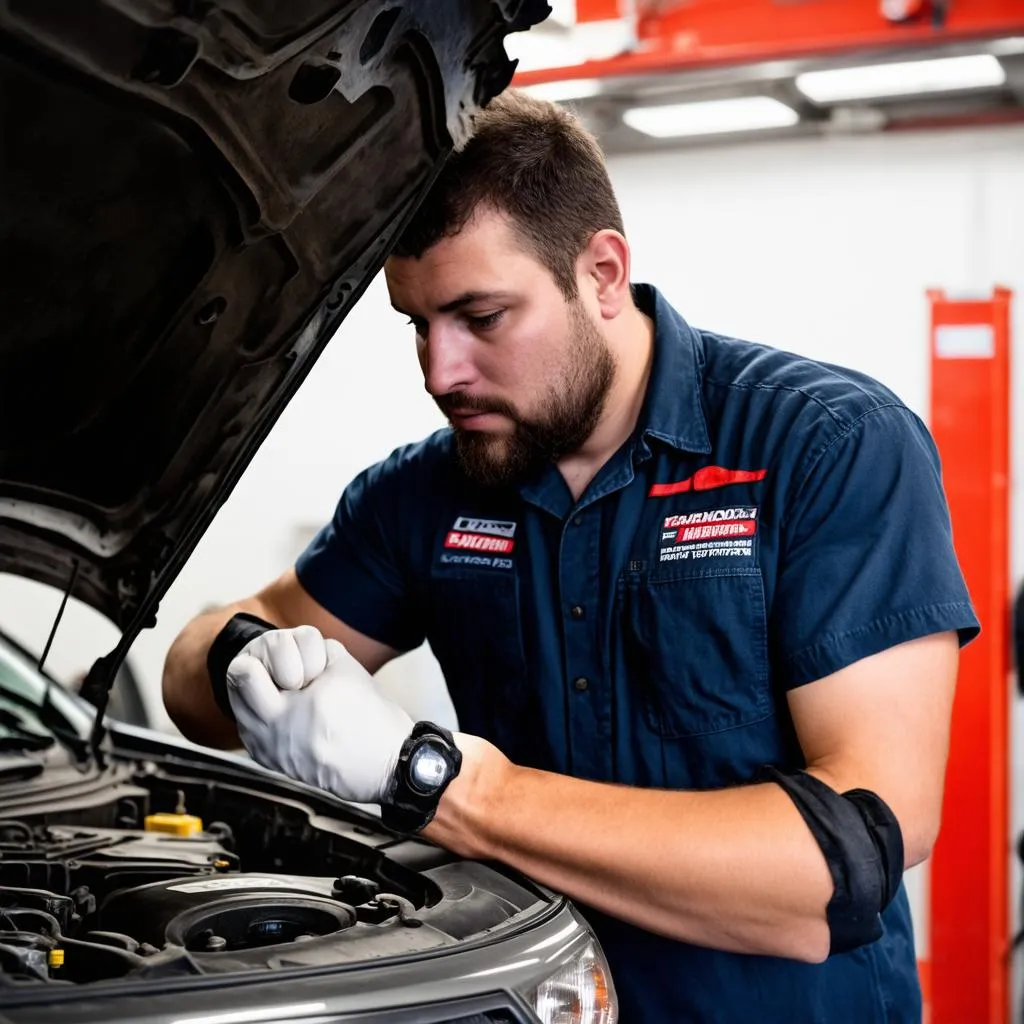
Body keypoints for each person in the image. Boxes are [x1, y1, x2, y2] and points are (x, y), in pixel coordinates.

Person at [162, 90, 979, 1022]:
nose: (441, 372)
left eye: (481, 316)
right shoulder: (426, 494)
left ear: (601, 272)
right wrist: (254, 662)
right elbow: (193, 672)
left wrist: (431, 780)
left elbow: (859, 848)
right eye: (416, 324)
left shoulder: (827, 446)